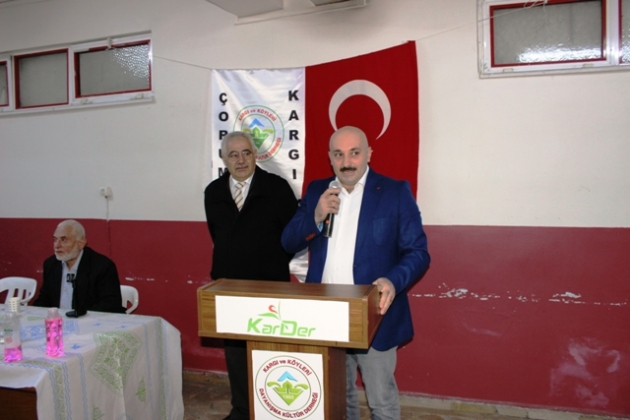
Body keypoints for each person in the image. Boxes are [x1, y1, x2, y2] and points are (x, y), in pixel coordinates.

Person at [281, 126, 430, 420]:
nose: (346, 162)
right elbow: (288, 242)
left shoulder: (394, 192)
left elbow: (418, 252)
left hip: (373, 312)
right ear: (330, 158)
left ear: (369, 154)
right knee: (338, 398)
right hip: (325, 314)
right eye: (338, 154)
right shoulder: (317, 191)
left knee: (381, 402)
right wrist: (316, 216)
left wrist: (392, 280)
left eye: (354, 153)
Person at [204, 131, 298, 420]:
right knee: (235, 353)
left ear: (255, 155)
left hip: (270, 287)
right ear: (223, 158)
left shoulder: (277, 187)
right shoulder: (213, 192)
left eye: (246, 152)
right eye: (233, 154)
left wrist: (270, 264)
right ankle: (242, 410)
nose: (241, 160)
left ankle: (273, 409)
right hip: (229, 287)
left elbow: (292, 238)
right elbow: (217, 235)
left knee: (270, 351)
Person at [33, 219, 126, 314]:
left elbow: (110, 304)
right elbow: (44, 299)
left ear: (81, 243)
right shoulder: (51, 264)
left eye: (63, 240)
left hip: (89, 320)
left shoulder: (102, 266)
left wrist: (81, 317)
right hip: (59, 320)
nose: (57, 245)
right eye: (55, 240)